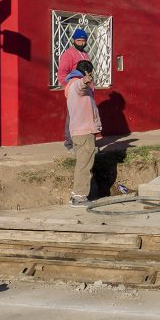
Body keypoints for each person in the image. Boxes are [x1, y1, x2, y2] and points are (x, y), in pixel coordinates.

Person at [66, 60, 101, 207]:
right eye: (90, 73)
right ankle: (79, 196)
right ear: (88, 72)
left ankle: (76, 195)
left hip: (81, 130)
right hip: (83, 131)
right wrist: (84, 81)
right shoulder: (76, 84)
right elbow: (80, 87)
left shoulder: (70, 84)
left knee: (83, 163)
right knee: (84, 165)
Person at [58, 29, 91, 150]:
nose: (81, 43)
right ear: (73, 40)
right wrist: (69, 88)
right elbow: (62, 73)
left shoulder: (85, 54)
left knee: (84, 118)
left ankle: (82, 144)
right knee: (72, 117)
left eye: (83, 41)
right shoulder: (69, 54)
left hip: (86, 90)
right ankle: (70, 144)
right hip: (75, 91)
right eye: (79, 40)